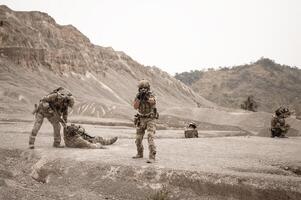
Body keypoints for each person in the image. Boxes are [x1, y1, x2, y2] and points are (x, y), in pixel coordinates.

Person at [132, 80, 159, 163]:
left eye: (145, 88)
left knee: (150, 136)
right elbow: (135, 107)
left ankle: (152, 156)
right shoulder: (138, 96)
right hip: (141, 118)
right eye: (141, 88)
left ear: (148, 88)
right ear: (139, 89)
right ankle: (140, 153)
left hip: (150, 118)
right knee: (138, 138)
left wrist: (146, 97)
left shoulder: (151, 94)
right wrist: (139, 98)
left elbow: (153, 101)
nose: (143, 90)